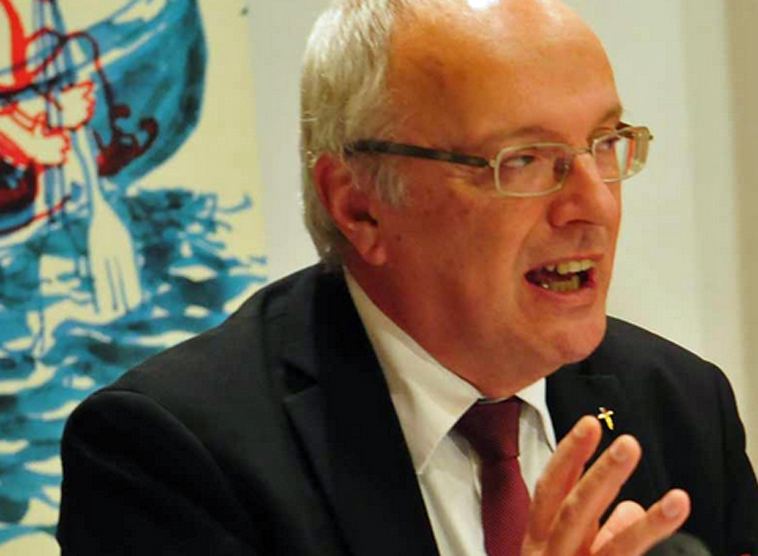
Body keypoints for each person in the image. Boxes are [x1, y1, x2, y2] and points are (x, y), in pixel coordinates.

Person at [56, 0, 758, 554]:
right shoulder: (171, 454)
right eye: (521, 160)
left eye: (604, 144)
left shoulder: (681, 406)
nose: (594, 205)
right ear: (359, 206)